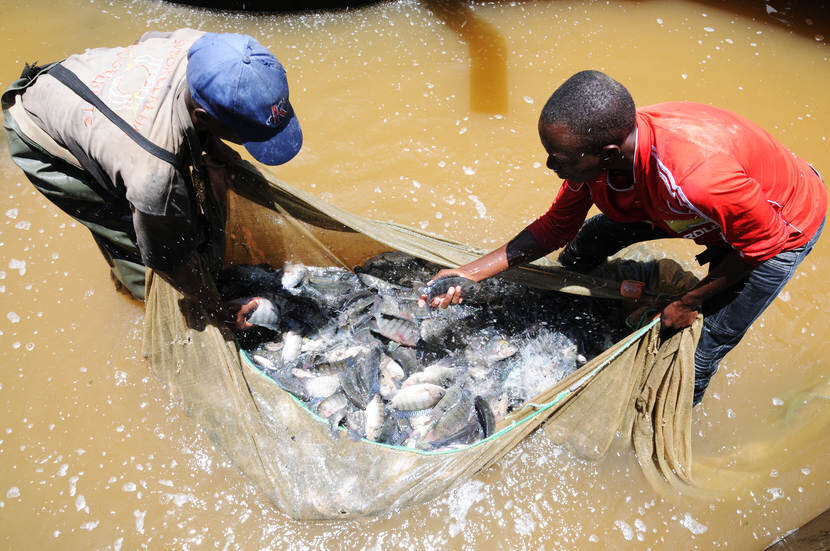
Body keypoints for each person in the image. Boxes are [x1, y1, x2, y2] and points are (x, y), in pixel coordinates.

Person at [420, 70, 826, 406]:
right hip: (679, 206)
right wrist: (469, 273)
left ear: (610, 153)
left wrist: (687, 302)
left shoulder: (696, 180)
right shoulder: (597, 153)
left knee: (698, 349)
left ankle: (676, 414)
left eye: (560, 161)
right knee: (589, 240)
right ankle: (576, 308)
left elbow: (761, 246)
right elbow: (556, 228)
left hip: (780, 228)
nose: (549, 166)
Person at [2, 29, 303, 328]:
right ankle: (133, 292)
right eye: (248, 134)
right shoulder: (152, 178)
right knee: (134, 240)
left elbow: (142, 42)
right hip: (42, 131)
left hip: (95, 92)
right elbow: (166, 261)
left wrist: (212, 145)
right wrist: (217, 310)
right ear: (204, 116)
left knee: (173, 209)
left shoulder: (217, 54)